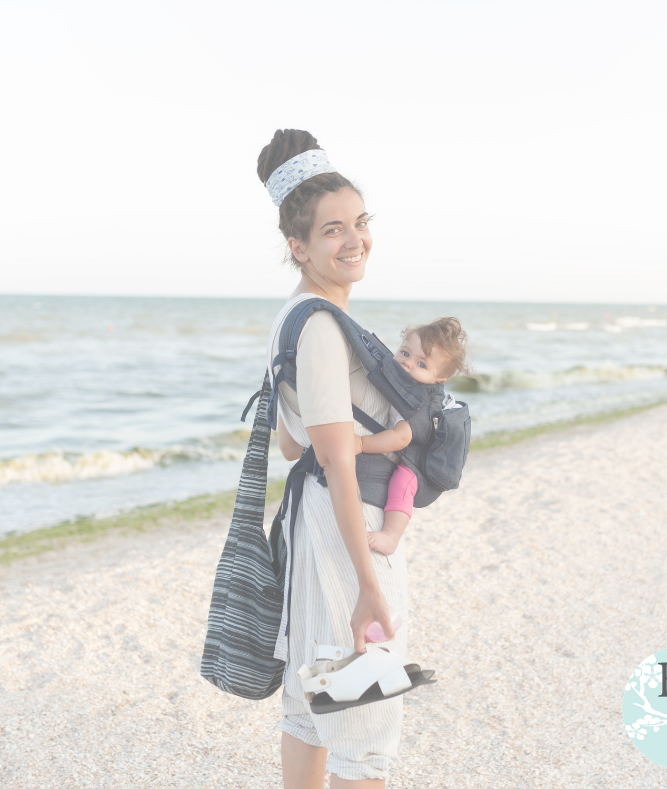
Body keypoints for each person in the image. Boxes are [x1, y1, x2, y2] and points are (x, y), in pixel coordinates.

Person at [258, 128, 405, 789]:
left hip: (309, 519)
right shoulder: (321, 326)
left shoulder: (291, 316)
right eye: (332, 231)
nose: (355, 240)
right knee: (361, 726)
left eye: (361, 222)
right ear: (299, 246)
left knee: (311, 704)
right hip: (343, 528)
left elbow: (292, 442)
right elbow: (337, 460)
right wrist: (367, 580)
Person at [350, 318, 470, 556]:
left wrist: (362, 443)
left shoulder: (420, 402)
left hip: (422, 467)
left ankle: (391, 536)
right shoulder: (407, 384)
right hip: (416, 450)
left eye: (421, 364)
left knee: (402, 482)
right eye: (404, 352)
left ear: (439, 380)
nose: (407, 363)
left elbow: (401, 438)